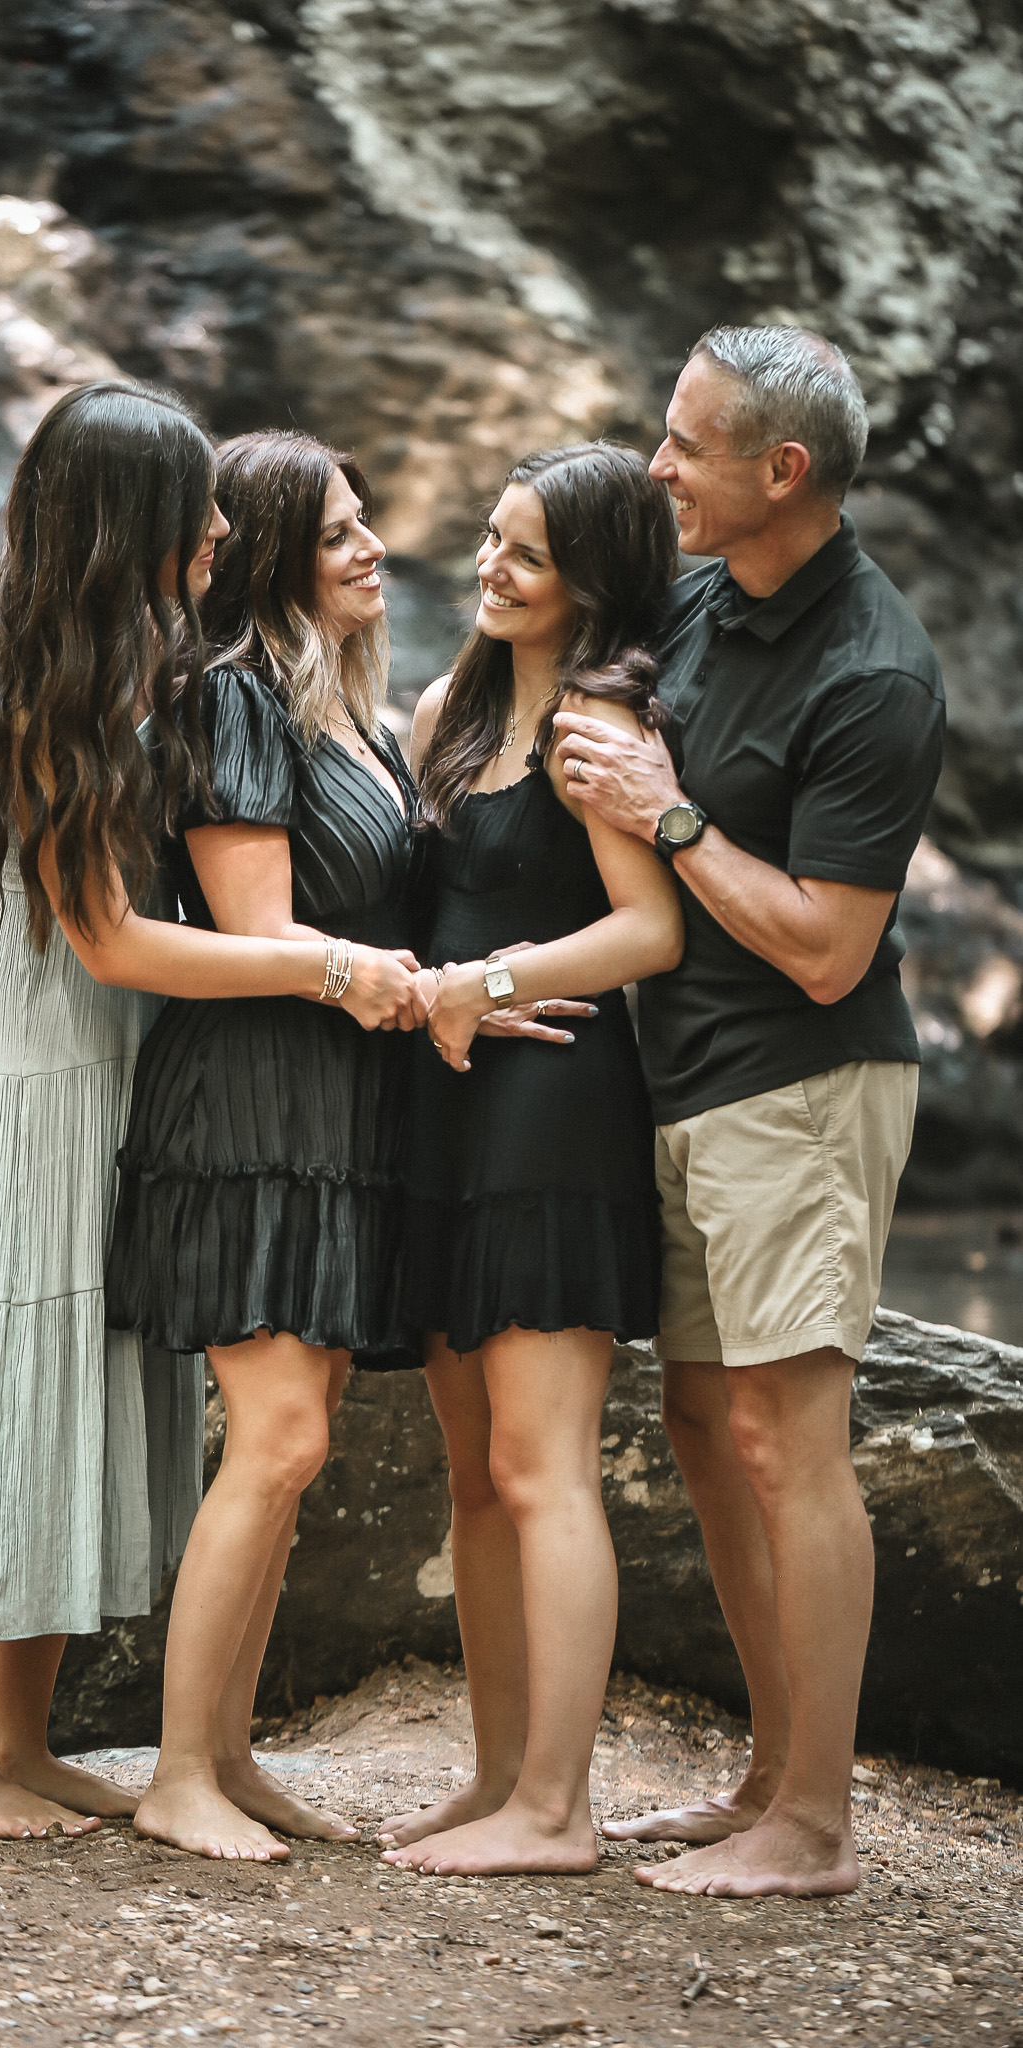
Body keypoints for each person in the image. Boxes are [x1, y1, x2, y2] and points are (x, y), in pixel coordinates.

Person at [0, 384, 421, 1841]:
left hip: (118, 1063)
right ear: (130, 518)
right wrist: (326, 966)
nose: (221, 530)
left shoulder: (128, 669)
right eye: (198, 506)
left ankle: (21, 1738)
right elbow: (109, 940)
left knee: (70, 1390)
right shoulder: (30, 691)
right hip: (32, 1073)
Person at [554, 326, 945, 1898]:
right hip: (682, 1074)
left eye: (684, 444)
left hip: (802, 1084)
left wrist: (671, 813)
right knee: (706, 1431)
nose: (657, 468)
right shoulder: (702, 592)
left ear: (779, 471)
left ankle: (817, 1828)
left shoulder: (876, 673)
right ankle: (768, 1776)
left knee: (790, 1444)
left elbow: (827, 942)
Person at [107, 430, 437, 1862]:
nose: (371, 549)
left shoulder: (344, 712)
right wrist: (397, 982)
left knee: (292, 1453)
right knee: (278, 1437)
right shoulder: (237, 696)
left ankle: (230, 1754)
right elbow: (253, 933)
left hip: (333, 1107)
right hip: (248, 1104)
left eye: (367, 527)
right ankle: (177, 1773)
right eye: (339, 533)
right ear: (273, 560)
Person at [376, 444, 684, 1877]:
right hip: (441, 1112)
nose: (492, 572)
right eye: (492, 545)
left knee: (539, 1464)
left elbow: (647, 933)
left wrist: (480, 987)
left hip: (553, 1108)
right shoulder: (449, 706)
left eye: (528, 557)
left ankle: (557, 1811)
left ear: (594, 583)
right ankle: (495, 1778)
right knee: (470, 1475)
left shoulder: (596, 721)